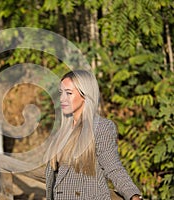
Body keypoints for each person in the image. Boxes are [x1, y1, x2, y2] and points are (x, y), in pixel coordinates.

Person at [44, 69, 142, 200]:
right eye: (61, 93)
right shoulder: (63, 130)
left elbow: (113, 168)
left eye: (69, 93)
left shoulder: (101, 127)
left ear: (85, 95)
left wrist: (134, 195)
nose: (62, 98)